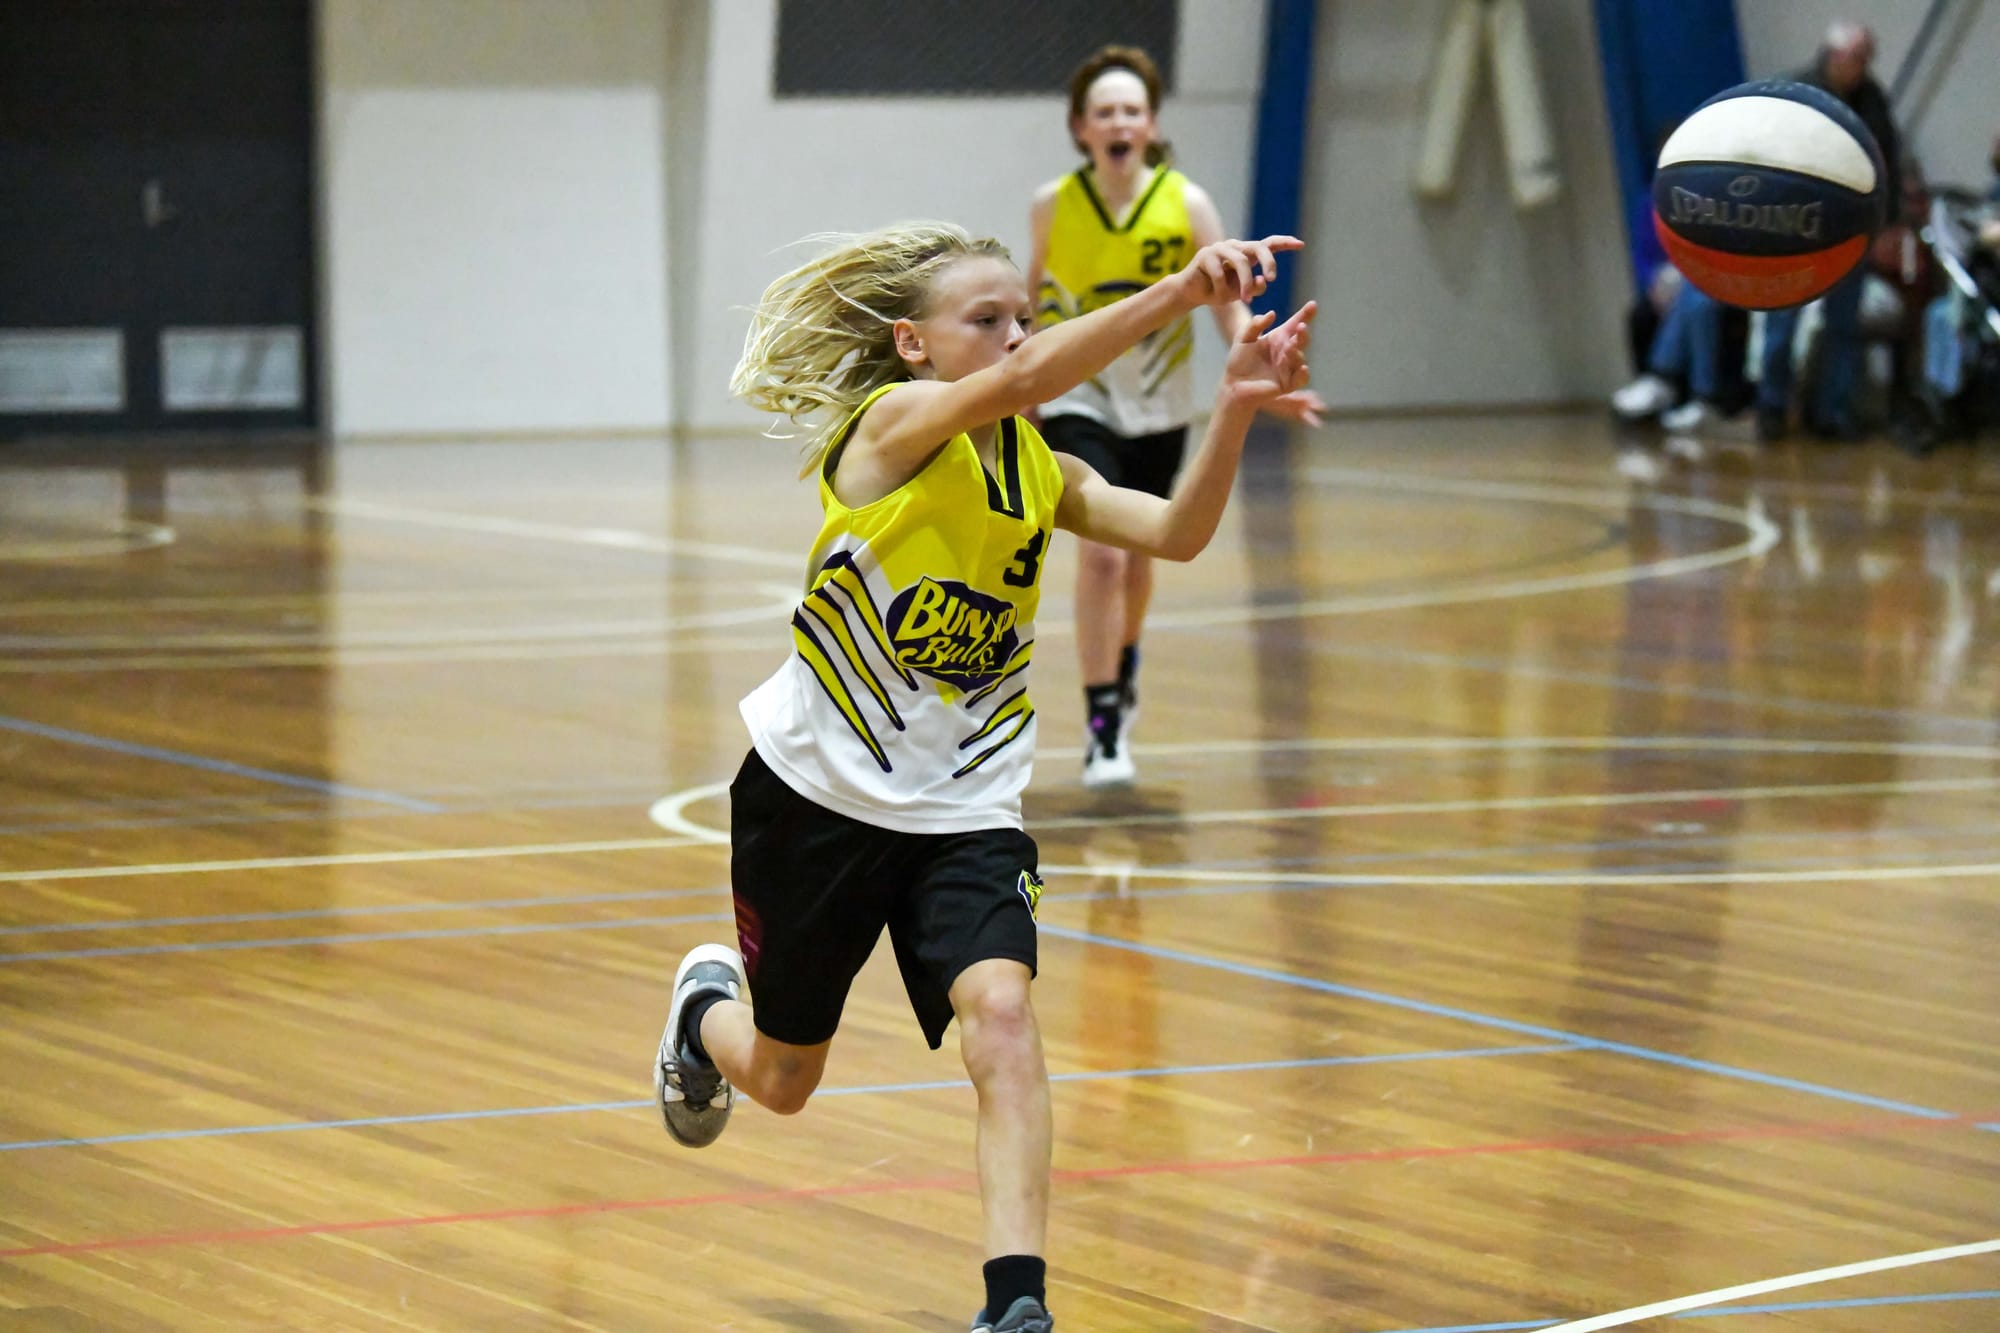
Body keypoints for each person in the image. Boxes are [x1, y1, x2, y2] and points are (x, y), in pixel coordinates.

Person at [652, 221, 1316, 1333]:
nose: (1015, 337)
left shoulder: (1038, 470)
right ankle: (700, 1013)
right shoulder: (890, 430)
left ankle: (1016, 1306)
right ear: (912, 344)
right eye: (987, 320)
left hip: (965, 810)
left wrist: (1237, 404)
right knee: (780, 1080)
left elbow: (1177, 532)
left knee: (1001, 1017)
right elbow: (1030, 378)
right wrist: (1173, 293)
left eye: (1023, 316)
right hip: (812, 801)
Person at [1026, 45, 1326, 788]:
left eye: (1131, 109)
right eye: (1105, 112)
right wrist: (1019, 374)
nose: (1119, 121)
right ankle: (1101, 724)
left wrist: (1258, 362)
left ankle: (1123, 669)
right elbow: (1029, 296)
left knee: (1139, 557)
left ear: (1151, 123)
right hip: (1078, 395)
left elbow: (1228, 300)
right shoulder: (1052, 204)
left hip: (1159, 401)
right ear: (1081, 129)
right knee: (1099, 550)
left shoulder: (1186, 203)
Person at [1758, 20, 1902, 442]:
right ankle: (1772, 407)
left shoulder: (1872, 99)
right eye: (1856, 59)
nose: (1862, 68)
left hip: (1847, 229)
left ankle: (1833, 413)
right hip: (1790, 230)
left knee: (1843, 326)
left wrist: (1887, 224)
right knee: (1780, 325)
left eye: (1866, 60)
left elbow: (1887, 163)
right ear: (1832, 56)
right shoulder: (1792, 92)